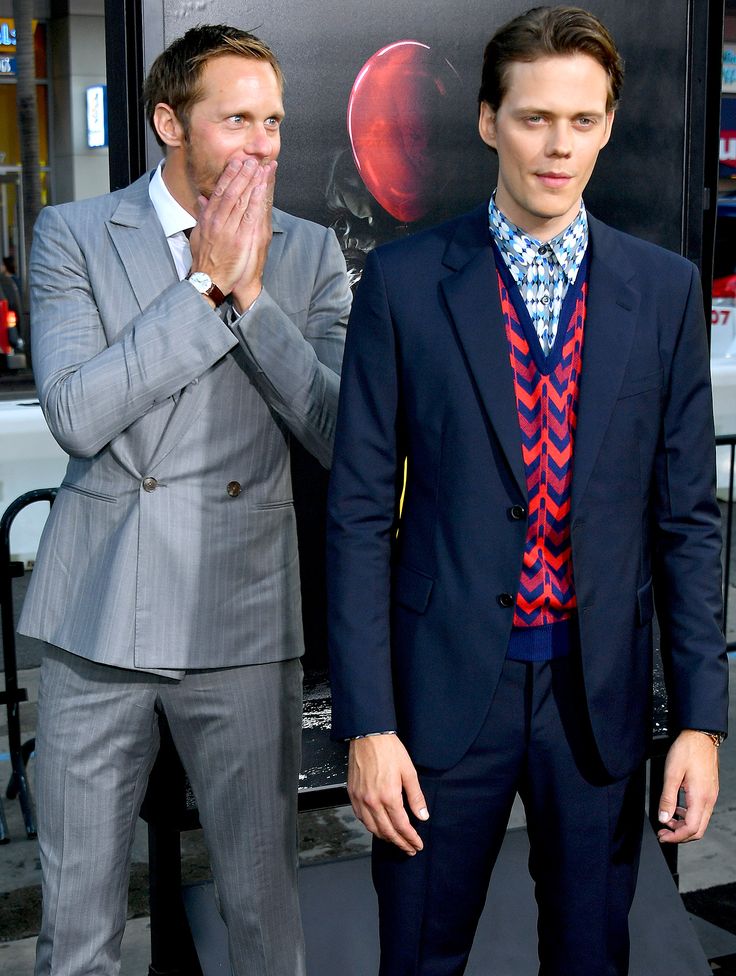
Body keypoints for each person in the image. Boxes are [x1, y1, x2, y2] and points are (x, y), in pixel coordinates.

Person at [326, 6, 728, 974]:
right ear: (484, 120)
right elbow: (352, 514)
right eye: (534, 117)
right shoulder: (404, 281)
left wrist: (702, 722)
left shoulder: (663, 289)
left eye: (582, 121)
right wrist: (367, 723)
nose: (558, 145)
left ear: (606, 125)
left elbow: (685, 521)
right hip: (438, 699)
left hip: (599, 698)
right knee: (421, 953)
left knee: (590, 954)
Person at [19, 23, 350, 976]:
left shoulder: (312, 252)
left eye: (275, 120)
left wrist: (253, 298)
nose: (265, 143)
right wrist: (206, 290)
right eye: (237, 117)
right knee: (76, 926)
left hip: (243, 613)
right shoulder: (75, 233)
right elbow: (80, 415)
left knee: (262, 914)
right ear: (170, 121)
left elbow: (333, 429)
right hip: (96, 618)